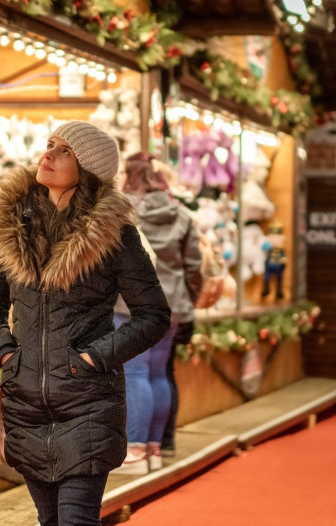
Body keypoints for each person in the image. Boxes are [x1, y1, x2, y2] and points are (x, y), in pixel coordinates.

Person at [0, 120, 171, 525]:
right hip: (26, 404)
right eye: (50, 144)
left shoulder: (114, 235)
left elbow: (154, 315)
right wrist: (6, 355)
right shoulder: (13, 228)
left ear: (89, 169)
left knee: (75, 521)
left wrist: (95, 358)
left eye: (64, 150)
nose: (48, 154)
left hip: (88, 401)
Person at [113, 153, 202, 474]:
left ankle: (134, 452)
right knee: (157, 373)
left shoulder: (122, 211)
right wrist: (187, 300)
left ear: (130, 176)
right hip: (173, 305)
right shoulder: (181, 214)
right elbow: (194, 267)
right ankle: (153, 448)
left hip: (131, 304)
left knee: (135, 374)